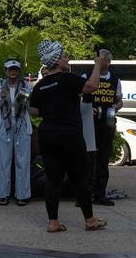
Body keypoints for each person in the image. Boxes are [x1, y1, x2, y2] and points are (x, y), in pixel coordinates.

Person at [28, 40, 108, 234]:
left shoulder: (40, 85)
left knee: (53, 180)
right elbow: (92, 87)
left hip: (47, 135)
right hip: (69, 135)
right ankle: (89, 220)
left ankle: (53, 222)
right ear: (56, 61)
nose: (67, 59)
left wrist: (51, 108)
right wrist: (97, 65)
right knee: (79, 178)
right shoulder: (68, 79)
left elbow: (34, 111)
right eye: (64, 56)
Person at [80, 50, 123, 206]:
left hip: (107, 123)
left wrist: (116, 107)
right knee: (88, 158)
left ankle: (100, 194)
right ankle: (85, 195)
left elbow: (119, 100)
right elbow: (78, 95)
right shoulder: (86, 76)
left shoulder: (115, 79)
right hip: (89, 123)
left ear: (108, 62)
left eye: (101, 59)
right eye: (96, 57)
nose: (97, 60)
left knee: (103, 159)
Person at [0, 59, 32, 207]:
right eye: (10, 69)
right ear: (5, 71)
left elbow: (32, 109)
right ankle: (2, 194)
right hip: (3, 126)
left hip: (22, 125)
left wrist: (27, 102)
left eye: (15, 69)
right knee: (3, 161)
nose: (12, 72)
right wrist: (1, 99)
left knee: (23, 161)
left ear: (19, 72)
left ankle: (22, 195)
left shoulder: (26, 87)